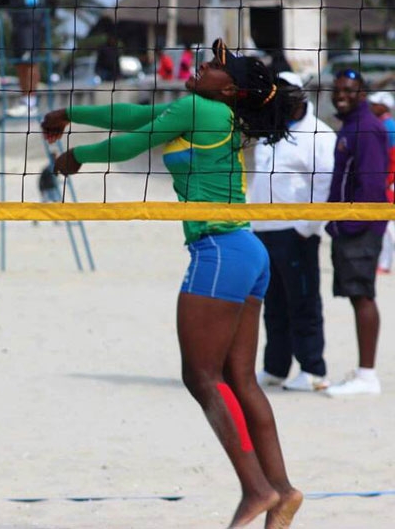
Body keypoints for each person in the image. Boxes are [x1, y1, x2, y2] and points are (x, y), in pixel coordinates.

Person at [41, 38, 302, 528]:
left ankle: (256, 490)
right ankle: (282, 491)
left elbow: (131, 144)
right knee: (240, 380)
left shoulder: (199, 107)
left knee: (201, 377)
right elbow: (136, 118)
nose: (204, 65)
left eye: (217, 66)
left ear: (230, 91)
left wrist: (78, 156)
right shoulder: (207, 111)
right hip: (246, 249)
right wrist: (70, 111)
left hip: (218, 249)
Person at [250, 72, 336, 392]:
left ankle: (313, 370)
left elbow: (324, 184)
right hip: (262, 228)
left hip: (295, 232)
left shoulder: (320, 135)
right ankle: (275, 368)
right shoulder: (268, 132)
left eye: (288, 96)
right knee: (272, 304)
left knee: (303, 302)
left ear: (301, 97)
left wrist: (306, 228)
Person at [323, 70, 389, 396]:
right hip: (348, 226)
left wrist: (350, 224)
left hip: (360, 227)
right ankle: (364, 372)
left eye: (348, 90)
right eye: (337, 90)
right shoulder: (351, 125)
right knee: (356, 294)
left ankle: (367, 376)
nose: (340, 96)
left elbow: (374, 185)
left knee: (363, 294)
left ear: (361, 93)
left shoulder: (366, 128)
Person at [0, 0, 47, 118]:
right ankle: (25, 101)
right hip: (19, 17)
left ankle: (30, 103)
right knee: (21, 62)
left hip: (30, 15)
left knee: (30, 61)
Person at [367, 91, 395, 274]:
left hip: (390, 179)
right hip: (389, 178)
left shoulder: (385, 126)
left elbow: (391, 157)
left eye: (375, 104)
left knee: (389, 225)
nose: (372, 106)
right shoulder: (386, 125)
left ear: (384, 106)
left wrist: (387, 179)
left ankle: (384, 265)